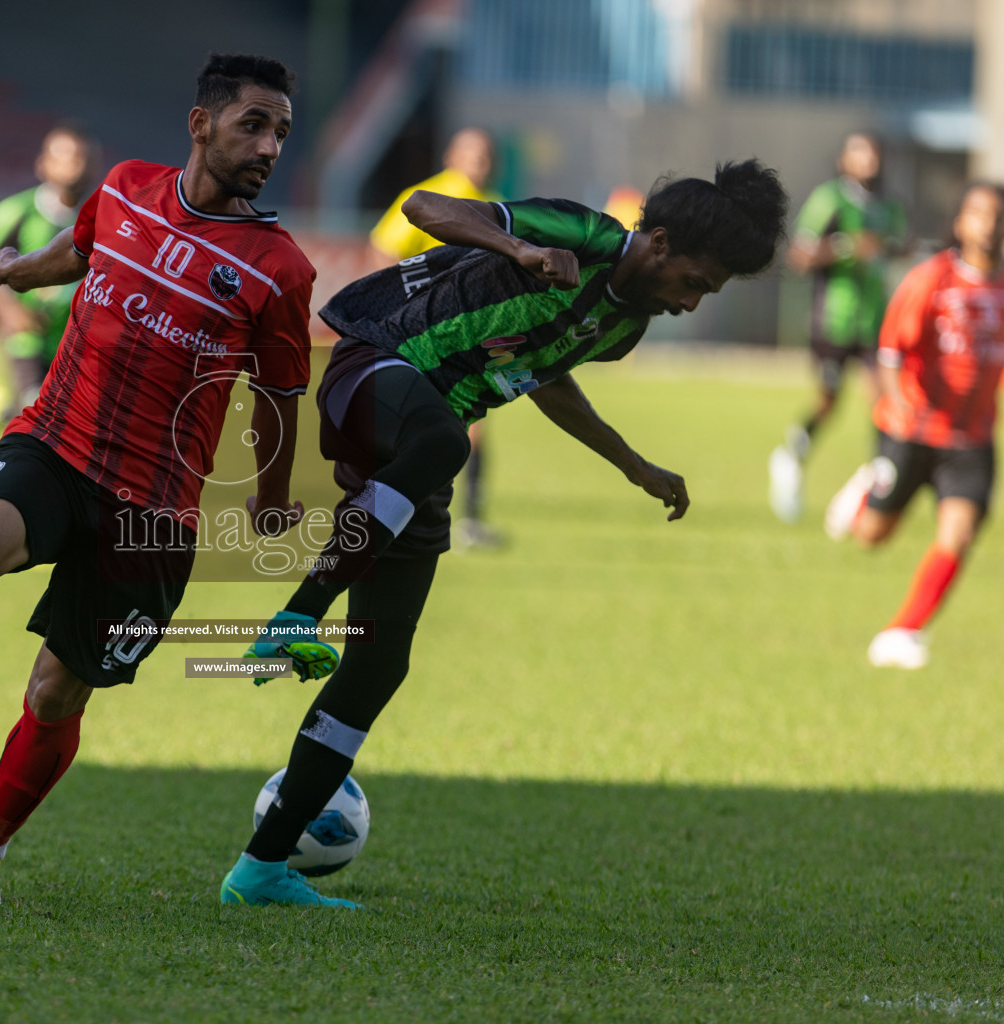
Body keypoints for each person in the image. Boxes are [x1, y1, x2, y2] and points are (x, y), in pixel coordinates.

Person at [0, 53, 320, 908]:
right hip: (59, 442)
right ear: (201, 124)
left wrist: (271, 494)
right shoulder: (123, 189)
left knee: (57, 688)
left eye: (281, 133)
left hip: (157, 507)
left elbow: (282, 394)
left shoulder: (277, 267)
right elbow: (74, 254)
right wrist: (12, 271)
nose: (268, 146)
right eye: (252, 124)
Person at [222, 161, 788, 908]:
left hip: (423, 448)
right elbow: (426, 205)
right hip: (375, 362)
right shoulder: (582, 233)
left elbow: (548, 375)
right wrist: (517, 248)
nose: (692, 302)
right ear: (657, 242)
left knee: (381, 661)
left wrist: (634, 464)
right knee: (443, 443)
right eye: (696, 281)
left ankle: (259, 871)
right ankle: (298, 614)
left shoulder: (624, 328)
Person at [822, 183, 1004, 669]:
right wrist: (901, 405)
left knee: (959, 536)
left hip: (972, 440)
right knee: (871, 537)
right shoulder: (933, 279)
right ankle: (866, 489)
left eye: (998, 215)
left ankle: (902, 630)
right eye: (980, 213)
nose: (990, 224)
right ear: (962, 223)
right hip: (913, 432)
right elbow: (890, 352)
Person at [369, 127, 506, 549]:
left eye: (484, 154)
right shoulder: (431, 195)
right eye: (471, 153)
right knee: (436, 425)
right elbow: (384, 248)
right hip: (427, 333)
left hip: (466, 332)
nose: (479, 162)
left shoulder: (497, 202)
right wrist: (398, 303)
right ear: (451, 155)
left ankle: (458, 519)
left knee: (464, 424)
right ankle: (388, 515)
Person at [769, 132, 906, 522]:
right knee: (829, 403)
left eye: (875, 151)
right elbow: (799, 254)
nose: (870, 159)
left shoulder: (889, 206)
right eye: (860, 152)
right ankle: (792, 456)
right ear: (845, 159)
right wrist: (847, 246)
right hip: (833, 320)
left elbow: (895, 248)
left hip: (875, 322)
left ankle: (874, 494)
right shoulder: (830, 198)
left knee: (884, 405)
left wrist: (897, 249)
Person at [0, 126, 97, 451]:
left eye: (82, 158)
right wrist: (10, 310)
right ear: (43, 164)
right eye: (64, 157)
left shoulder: (99, 214)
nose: (74, 166)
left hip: (73, 335)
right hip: (28, 331)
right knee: (39, 412)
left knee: (68, 414)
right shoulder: (18, 210)